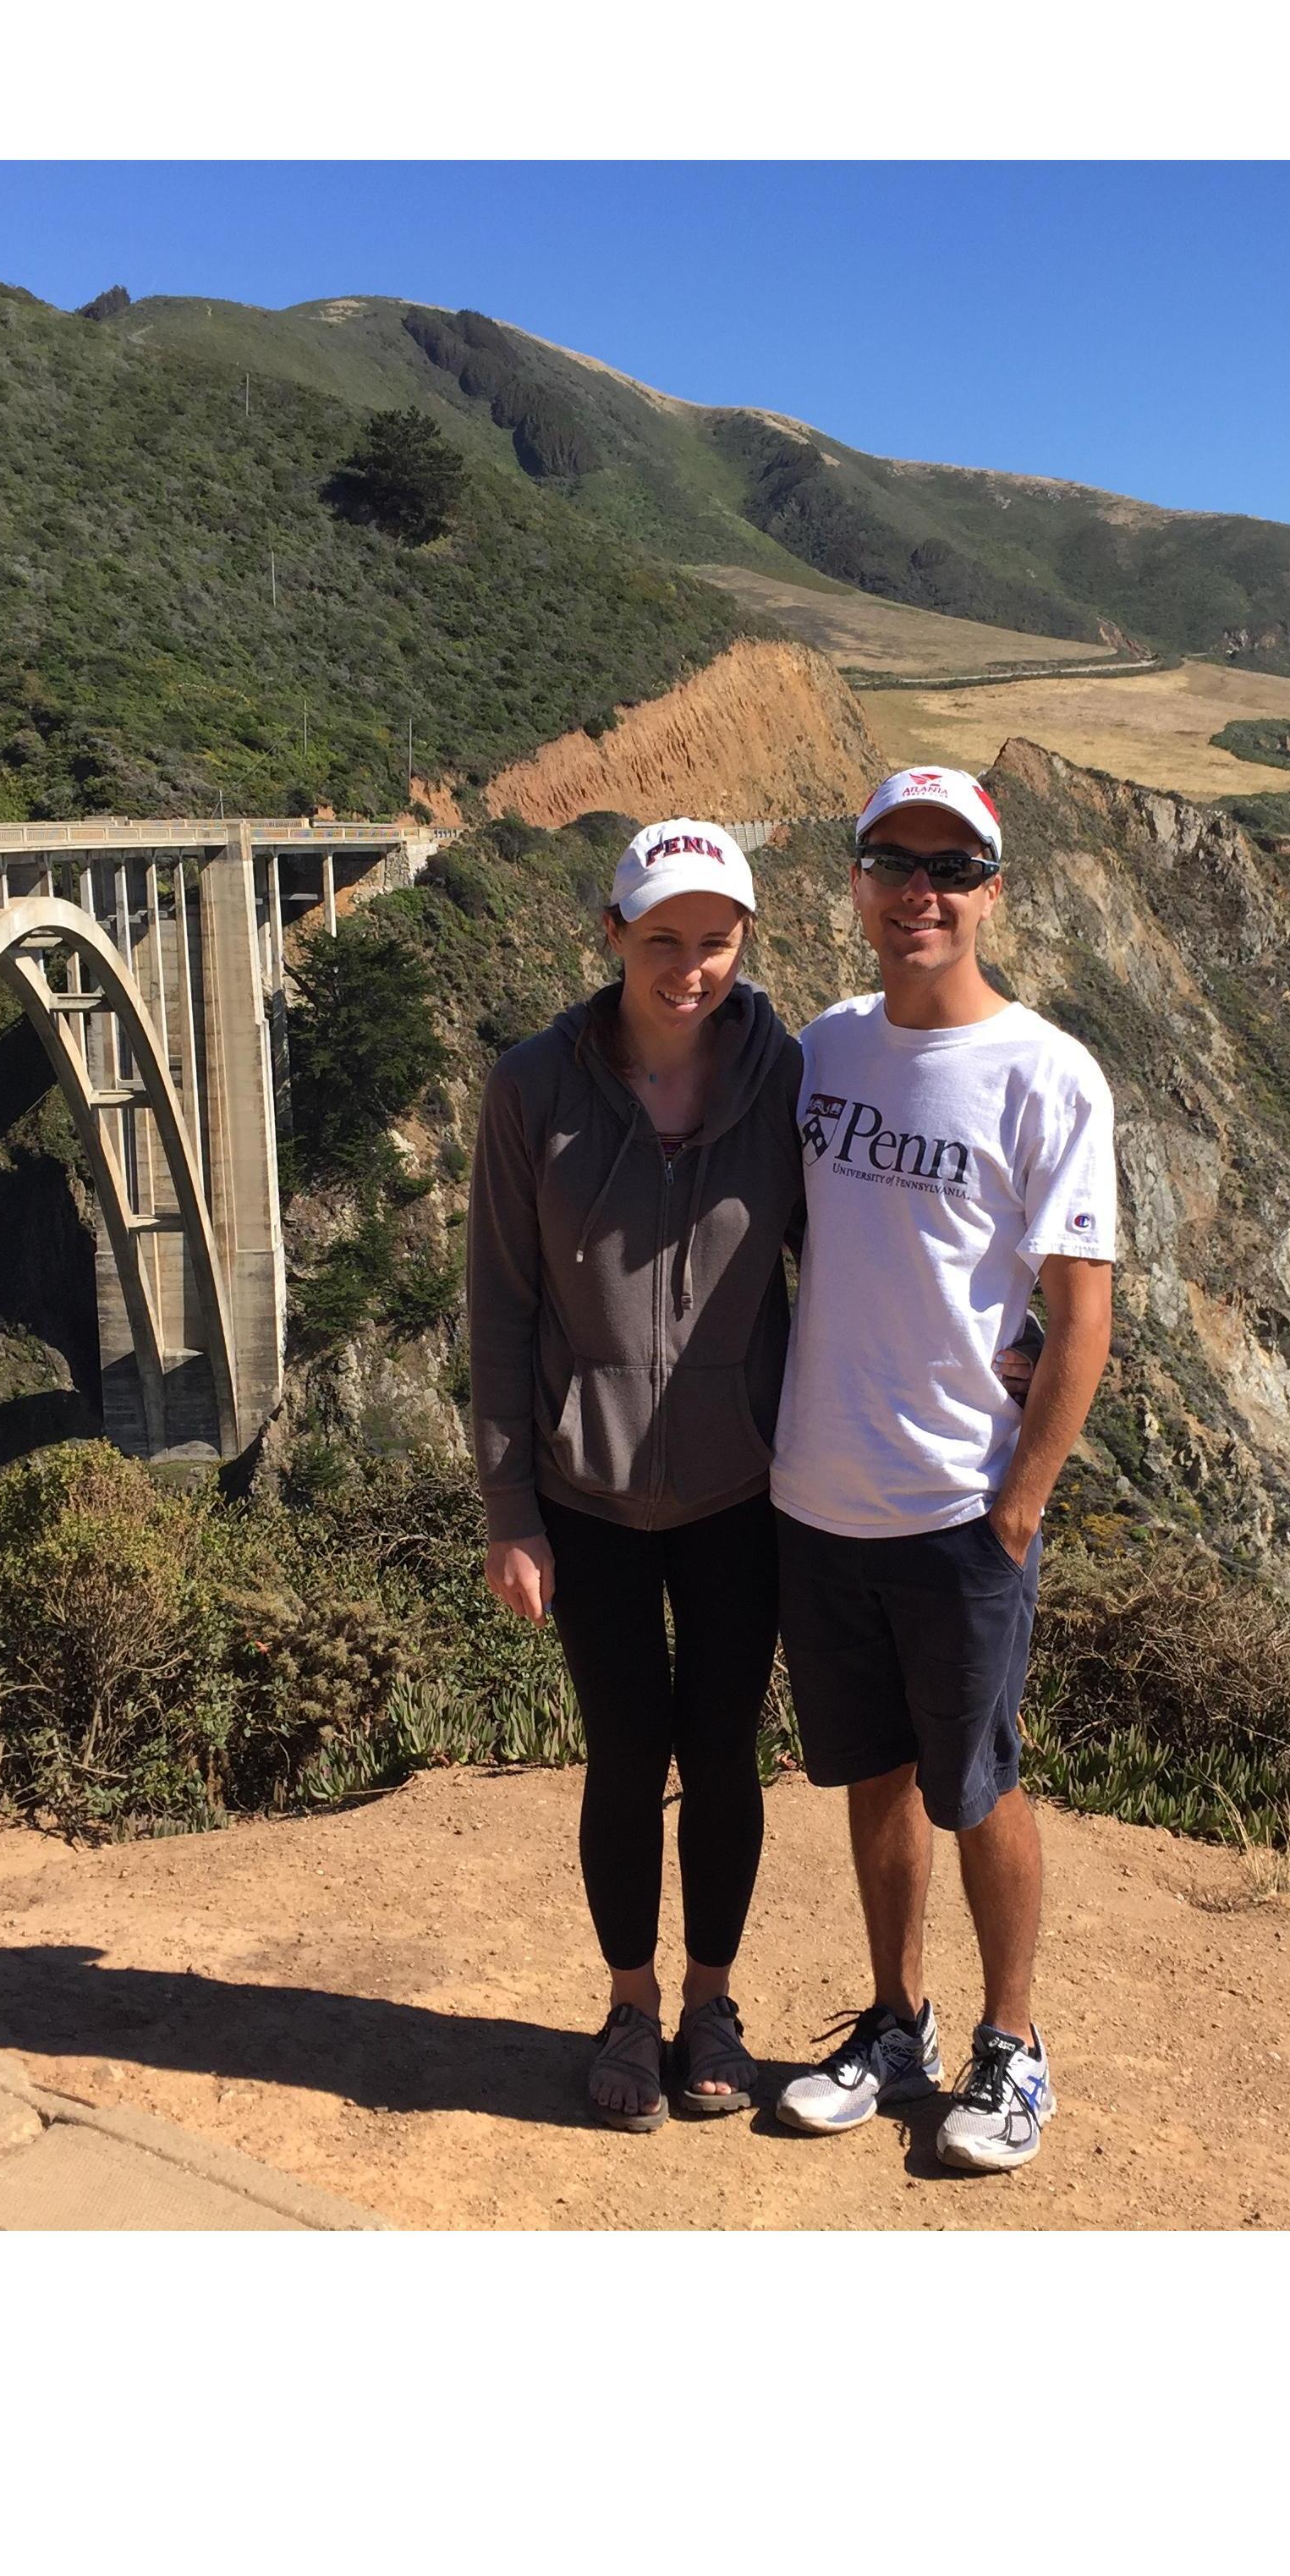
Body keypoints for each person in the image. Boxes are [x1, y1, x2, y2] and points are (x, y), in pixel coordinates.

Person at [770, 766, 1117, 2173]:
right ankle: (895, 2025)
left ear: (991, 893)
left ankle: (1013, 2044)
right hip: (816, 1496)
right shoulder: (821, 1050)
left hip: (958, 1509)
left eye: (951, 868)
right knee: (873, 1778)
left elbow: (1081, 1313)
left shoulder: (1046, 1072)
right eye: (893, 863)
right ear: (857, 884)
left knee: (977, 1787)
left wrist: (1018, 1508)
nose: (920, 892)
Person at [467, 816, 804, 2130]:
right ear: (611, 934)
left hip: (743, 1490)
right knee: (624, 1753)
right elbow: (500, 1304)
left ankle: (712, 2003)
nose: (690, 968)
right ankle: (629, 2005)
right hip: (585, 1493)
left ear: (746, 940)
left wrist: (1003, 1335)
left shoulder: (787, 1081)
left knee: (721, 1753)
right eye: (662, 939)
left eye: (716, 941)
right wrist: (509, 1509)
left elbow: (860, 1253)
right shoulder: (531, 1090)